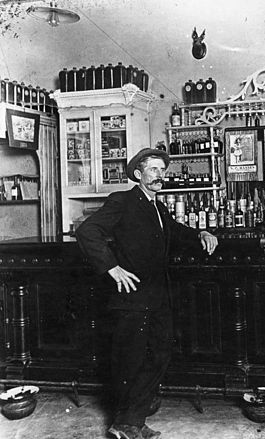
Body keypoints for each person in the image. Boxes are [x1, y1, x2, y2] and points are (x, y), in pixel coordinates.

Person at [75, 148, 218, 439]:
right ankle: (125, 424)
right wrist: (111, 268)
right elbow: (87, 231)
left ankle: (134, 422)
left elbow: (175, 231)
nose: (159, 176)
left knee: (160, 354)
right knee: (132, 359)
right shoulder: (123, 201)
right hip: (132, 297)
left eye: (162, 170)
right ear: (138, 174)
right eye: (153, 170)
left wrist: (200, 234)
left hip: (157, 296)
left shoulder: (158, 207)